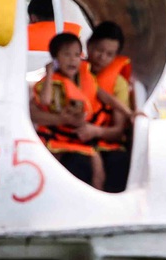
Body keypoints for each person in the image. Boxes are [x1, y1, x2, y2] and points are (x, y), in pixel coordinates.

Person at [31, 32, 123, 191]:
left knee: (98, 170)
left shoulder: (88, 79)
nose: (72, 59)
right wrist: (50, 72)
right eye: (66, 55)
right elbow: (43, 102)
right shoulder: (53, 82)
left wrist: (130, 113)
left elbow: (109, 101)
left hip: (85, 136)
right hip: (58, 136)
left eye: (76, 55)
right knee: (54, 166)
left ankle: (98, 205)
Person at [80, 21, 135, 193]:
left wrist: (95, 132)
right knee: (77, 163)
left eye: (109, 54)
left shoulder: (118, 84)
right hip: (75, 141)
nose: (102, 57)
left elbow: (118, 130)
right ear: (88, 46)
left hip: (107, 143)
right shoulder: (73, 72)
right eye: (98, 50)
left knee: (119, 162)